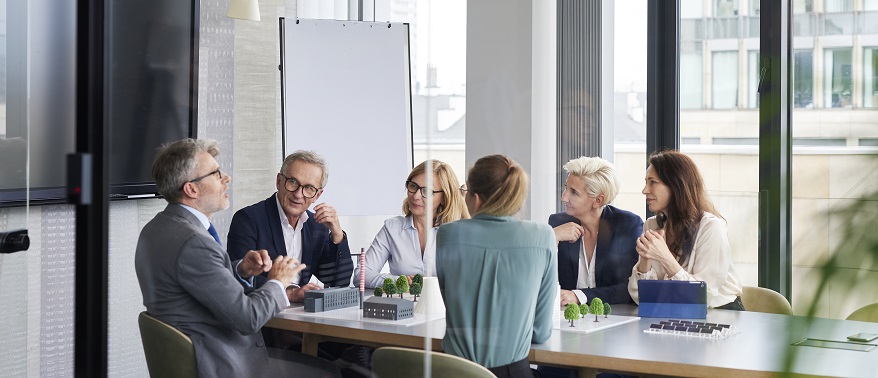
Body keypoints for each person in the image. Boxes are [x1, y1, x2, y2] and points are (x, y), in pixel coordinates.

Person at [134, 138, 340, 377]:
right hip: (223, 363)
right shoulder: (195, 242)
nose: (226, 178)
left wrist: (240, 270)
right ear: (192, 189)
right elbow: (248, 319)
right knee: (329, 371)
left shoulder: (156, 229)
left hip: (199, 356)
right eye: (216, 173)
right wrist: (278, 282)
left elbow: (199, 285)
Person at [437, 154, 557, 378]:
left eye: (466, 193)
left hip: (452, 370)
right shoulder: (542, 236)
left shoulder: (448, 234)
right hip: (511, 373)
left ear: (478, 199)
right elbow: (540, 332)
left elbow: (453, 307)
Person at [227, 150, 353, 303]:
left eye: (309, 188)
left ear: (317, 195)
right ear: (279, 181)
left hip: (301, 317)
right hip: (262, 316)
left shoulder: (316, 226)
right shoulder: (248, 219)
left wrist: (337, 235)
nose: (299, 194)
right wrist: (289, 293)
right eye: (293, 182)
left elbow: (338, 282)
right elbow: (240, 277)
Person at [628, 150, 744, 310]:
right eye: (646, 182)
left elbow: (701, 297)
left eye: (652, 182)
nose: (645, 190)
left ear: (676, 185)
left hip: (719, 315)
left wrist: (664, 257)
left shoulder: (711, 228)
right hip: (674, 313)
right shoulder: (652, 226)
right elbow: (641, 299)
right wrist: (646, 260)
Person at [355, 160, 469, 288]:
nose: (416, 196)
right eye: (413, 186)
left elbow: (469, 280)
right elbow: (361, 275)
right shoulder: (392, 228)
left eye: (426, 191)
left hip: (445, 307)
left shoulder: (458, 232)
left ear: (444, 197)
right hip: (404, 306)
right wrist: (399, 281)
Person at [551, 157, 643, 306]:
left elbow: (629, 288)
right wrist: (551, 238)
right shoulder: (558, 223)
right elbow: (539, 281)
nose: (564, 197)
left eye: (574, 192)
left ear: (598, 201)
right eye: (566, 187)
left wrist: (578, 296)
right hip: (566, 319)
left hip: (616, 319)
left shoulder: (627, 225)